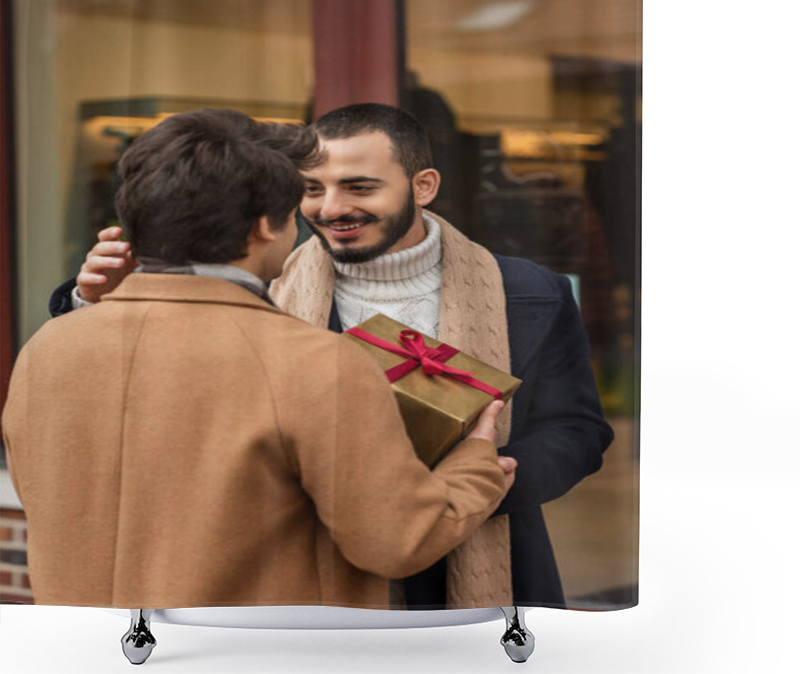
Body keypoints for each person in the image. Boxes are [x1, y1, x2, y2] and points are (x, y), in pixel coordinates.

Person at [47, 103, 614, 610]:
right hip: (314, 570)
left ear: (423, 186)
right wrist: (90, 301)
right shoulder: (256, 280)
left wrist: (486, 477)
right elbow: (151, 378)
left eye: (360, 187)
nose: (332, 207)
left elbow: (578, 430)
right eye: (312, 189)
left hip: (486, 557)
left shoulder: (530, 291)